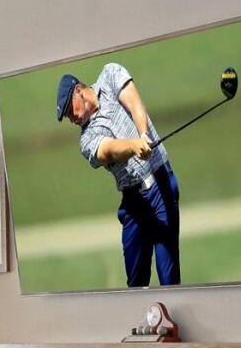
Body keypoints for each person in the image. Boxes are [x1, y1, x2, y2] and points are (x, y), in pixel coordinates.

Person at [58, 61, 180, 287]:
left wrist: (143, 136)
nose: (70, 118)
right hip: (133, 201)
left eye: (69, 109)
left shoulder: (110, 74)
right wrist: (134, 145)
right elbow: (106, 151)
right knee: (135, 282)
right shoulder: (86, 139)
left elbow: (134, 104)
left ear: (78, 91)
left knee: (168, 274)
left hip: (160, 182)